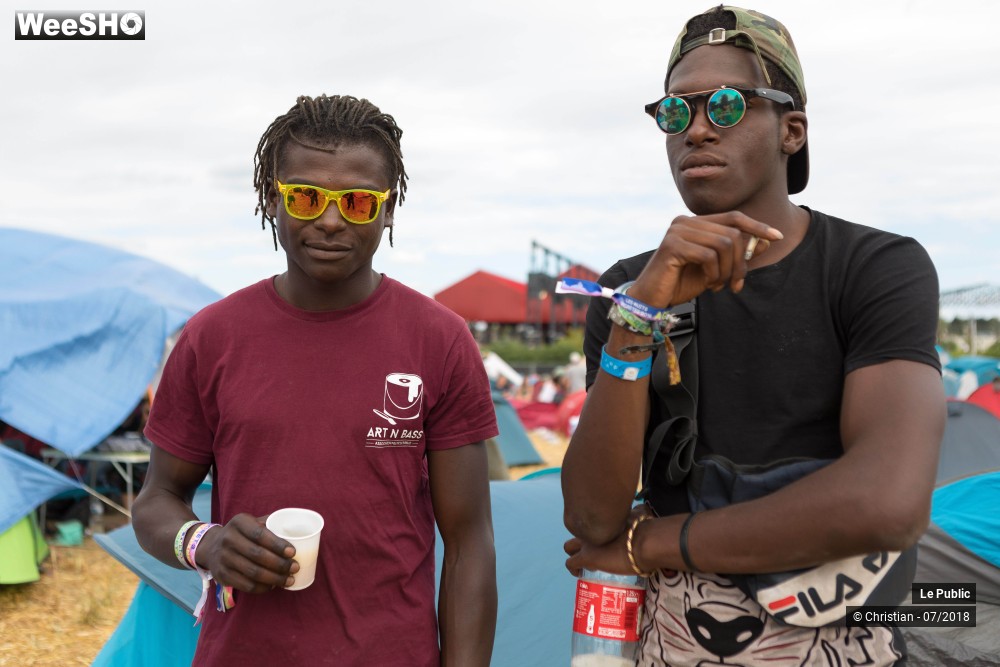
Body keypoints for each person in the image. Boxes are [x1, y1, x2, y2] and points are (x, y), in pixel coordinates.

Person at [561, 7, 945, 666]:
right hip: (674, 642)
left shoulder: (873, 267)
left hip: (840, 639)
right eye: (676, 114)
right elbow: (593, 519)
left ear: (791, 130)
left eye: (729, 105)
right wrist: (637, 320)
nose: (699, 129)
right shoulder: (630, 290)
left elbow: (887, 502)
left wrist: (652, 544)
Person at [132, 94, 498, 666]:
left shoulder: (440, 339)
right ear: (271, 200)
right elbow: (157, 499)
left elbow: (470, 542)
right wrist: (205, 543)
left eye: (356, 202)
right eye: (305, 197)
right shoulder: (213, 336)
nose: (330, 221)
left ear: (389, 208)